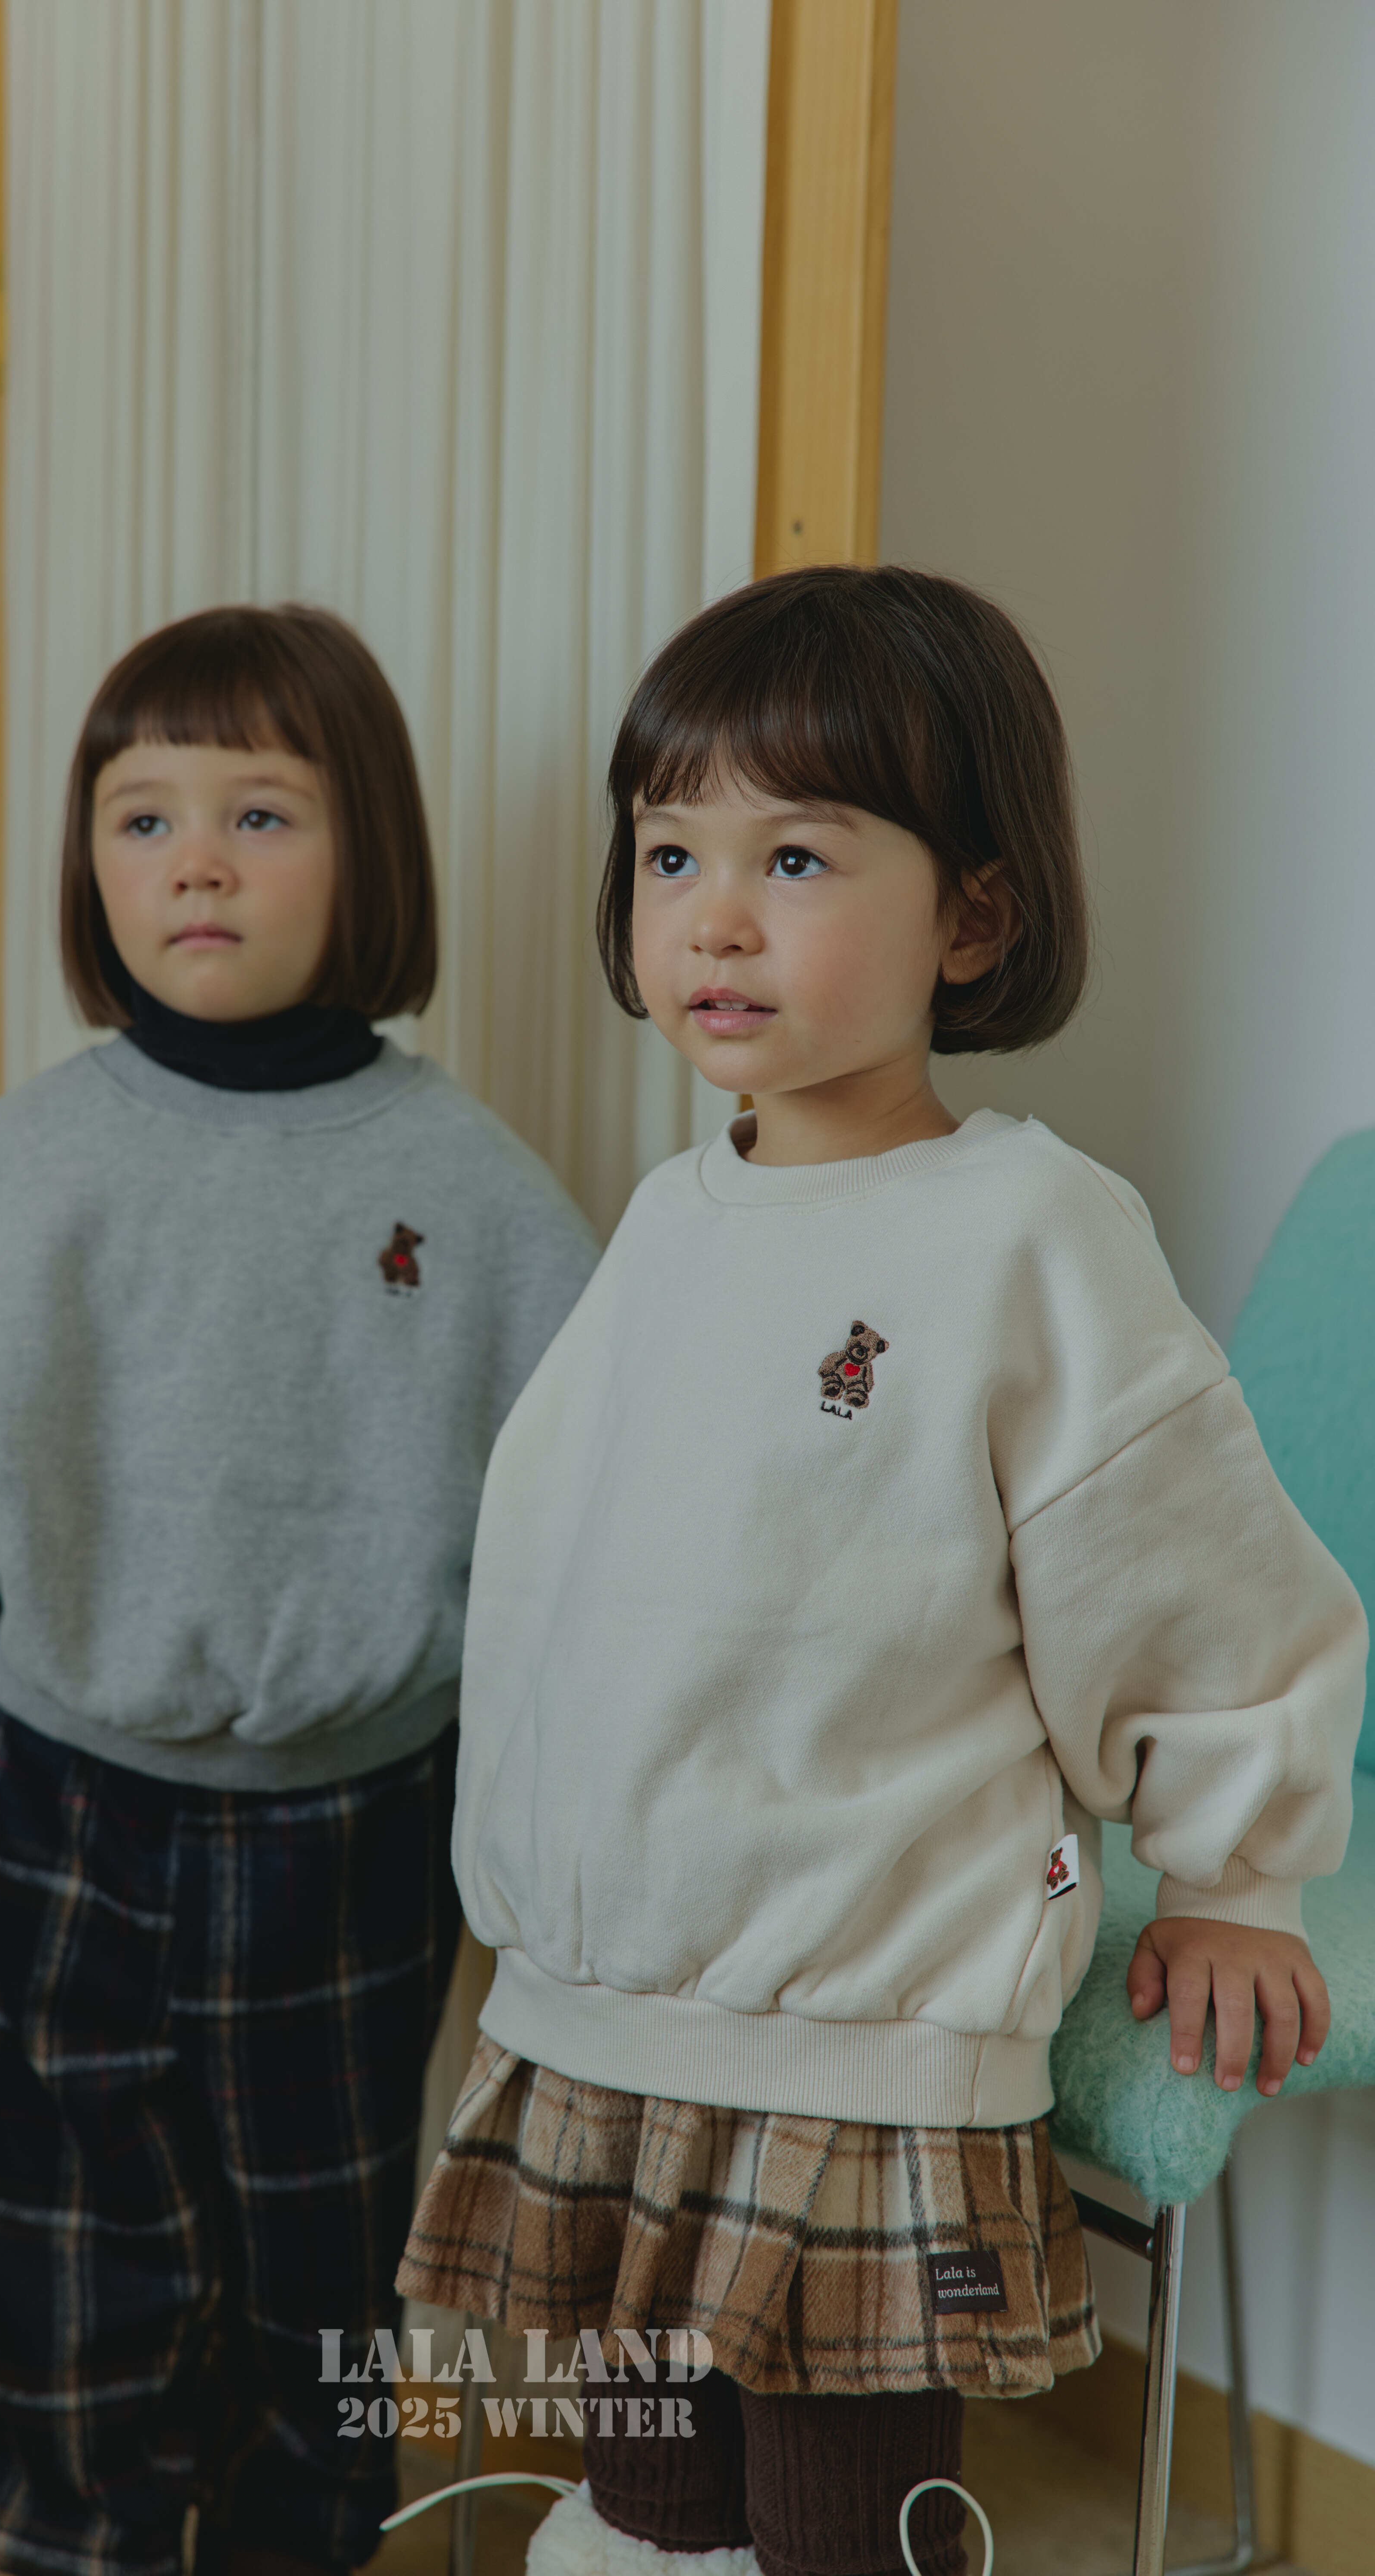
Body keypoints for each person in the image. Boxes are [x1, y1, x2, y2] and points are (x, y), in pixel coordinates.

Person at [397, 567, 1367, 2576]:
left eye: (796, 857)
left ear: (972, 920)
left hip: (859, 2032)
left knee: (838, 2528)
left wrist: (1232, 1875)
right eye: (672, 853)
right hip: (607, 2017)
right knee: (642, 2509)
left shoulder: (1025, 1236)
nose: (713, 916)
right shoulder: (669, 1221)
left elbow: (1190, 1573)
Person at [0, 605, 599, 2576]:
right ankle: (80, 2546)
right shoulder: (28, 1163)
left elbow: (574, 1525)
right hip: (52, 1805)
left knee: (319, 2274)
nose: (199, 865)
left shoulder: (478, 1193)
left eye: (260, 814)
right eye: (143, 819)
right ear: (91, 866)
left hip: (352, 1819)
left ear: (368, 851)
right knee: (70, 2262)